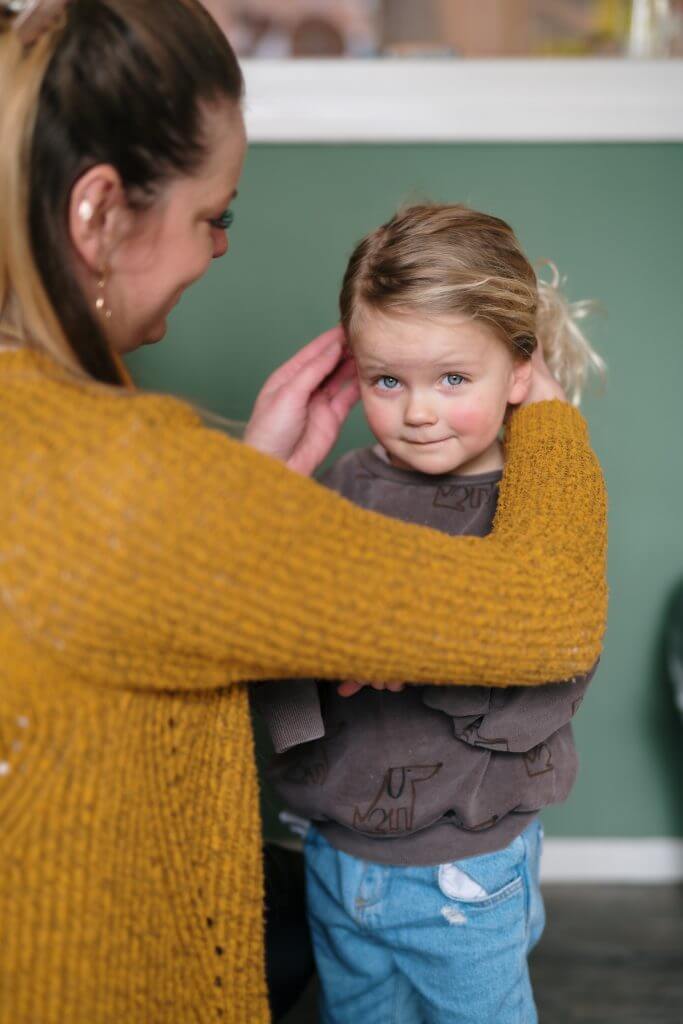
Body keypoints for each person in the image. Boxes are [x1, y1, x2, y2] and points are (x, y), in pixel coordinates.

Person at [0, 2, 606, 1022]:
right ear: (98, 215)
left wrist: (250, 487)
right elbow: (548, 605)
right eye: (213, 216)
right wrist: (547, 419)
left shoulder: (54, 440)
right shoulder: (127, 479)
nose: (222, 250)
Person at [257, 203, 606, 1024]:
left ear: (519, 370)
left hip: (463, 871)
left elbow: (549, 666)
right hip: (334, 852)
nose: (417, 411)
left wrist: (407, 646)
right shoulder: (344, 486)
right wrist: (307, 659)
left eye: (453, 378)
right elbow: (268, 643)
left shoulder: (534, 510)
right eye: (387, 381)